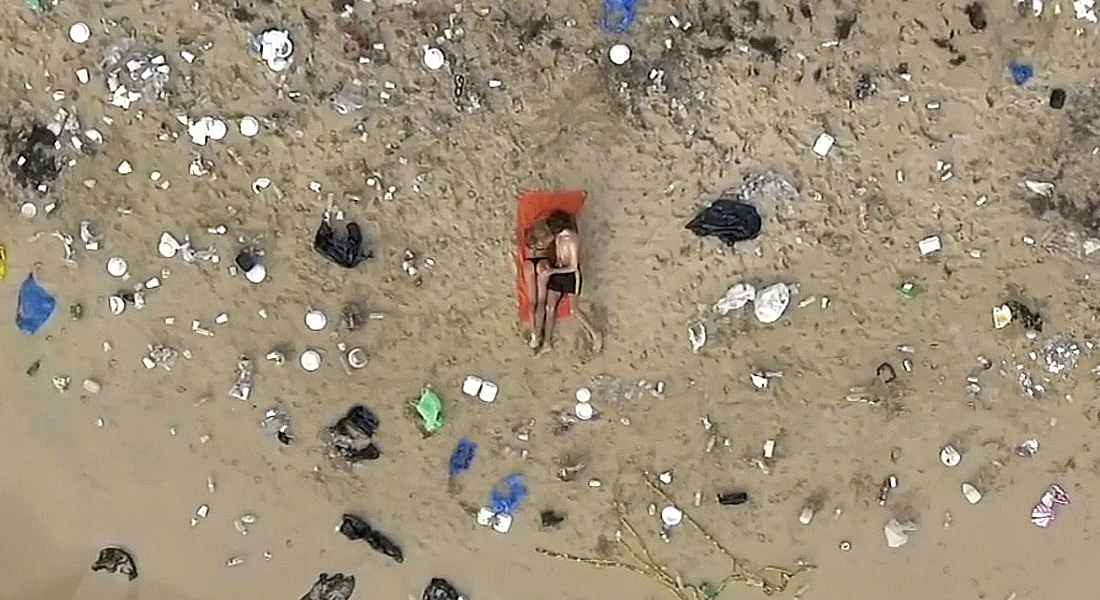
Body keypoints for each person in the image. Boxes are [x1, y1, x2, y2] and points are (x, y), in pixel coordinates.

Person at [531, 210, 601, 353]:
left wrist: (552, 271)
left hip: (570, 276)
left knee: (574, 309)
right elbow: (559, 258)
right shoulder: (558, 237)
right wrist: (550, 269)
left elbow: (573, 267)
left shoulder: (572, 238)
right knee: (549, 307)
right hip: (558, 271)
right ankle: (547, 342)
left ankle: (595, 333)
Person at [523, 218, 555, 348]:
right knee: (541, 301)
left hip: (529, 262)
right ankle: (539, 331)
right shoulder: (547, 236)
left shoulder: (529, 236)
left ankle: (534, 335)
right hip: (542, 262)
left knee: (532, 301)